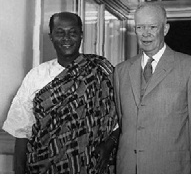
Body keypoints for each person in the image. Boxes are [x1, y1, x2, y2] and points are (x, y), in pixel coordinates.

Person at [2, 12, 119, 174]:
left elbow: (122, 116)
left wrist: (109, 145)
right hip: (45, 166)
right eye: (60, 32)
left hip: (91, 164)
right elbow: (21, 127)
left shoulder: (100, 69)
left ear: (81, 35)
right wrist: (19, 171)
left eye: (73, 32)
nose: (66, 38)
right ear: (51, 36)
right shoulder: (37, 75)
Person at [114, 3, 191, 174]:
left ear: (165, 29)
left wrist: (184, 162)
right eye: (140, 27)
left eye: (152, 27)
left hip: (171, 168)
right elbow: (123, 121)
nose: (146, 34)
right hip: (127, 168)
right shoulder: (121, 71)